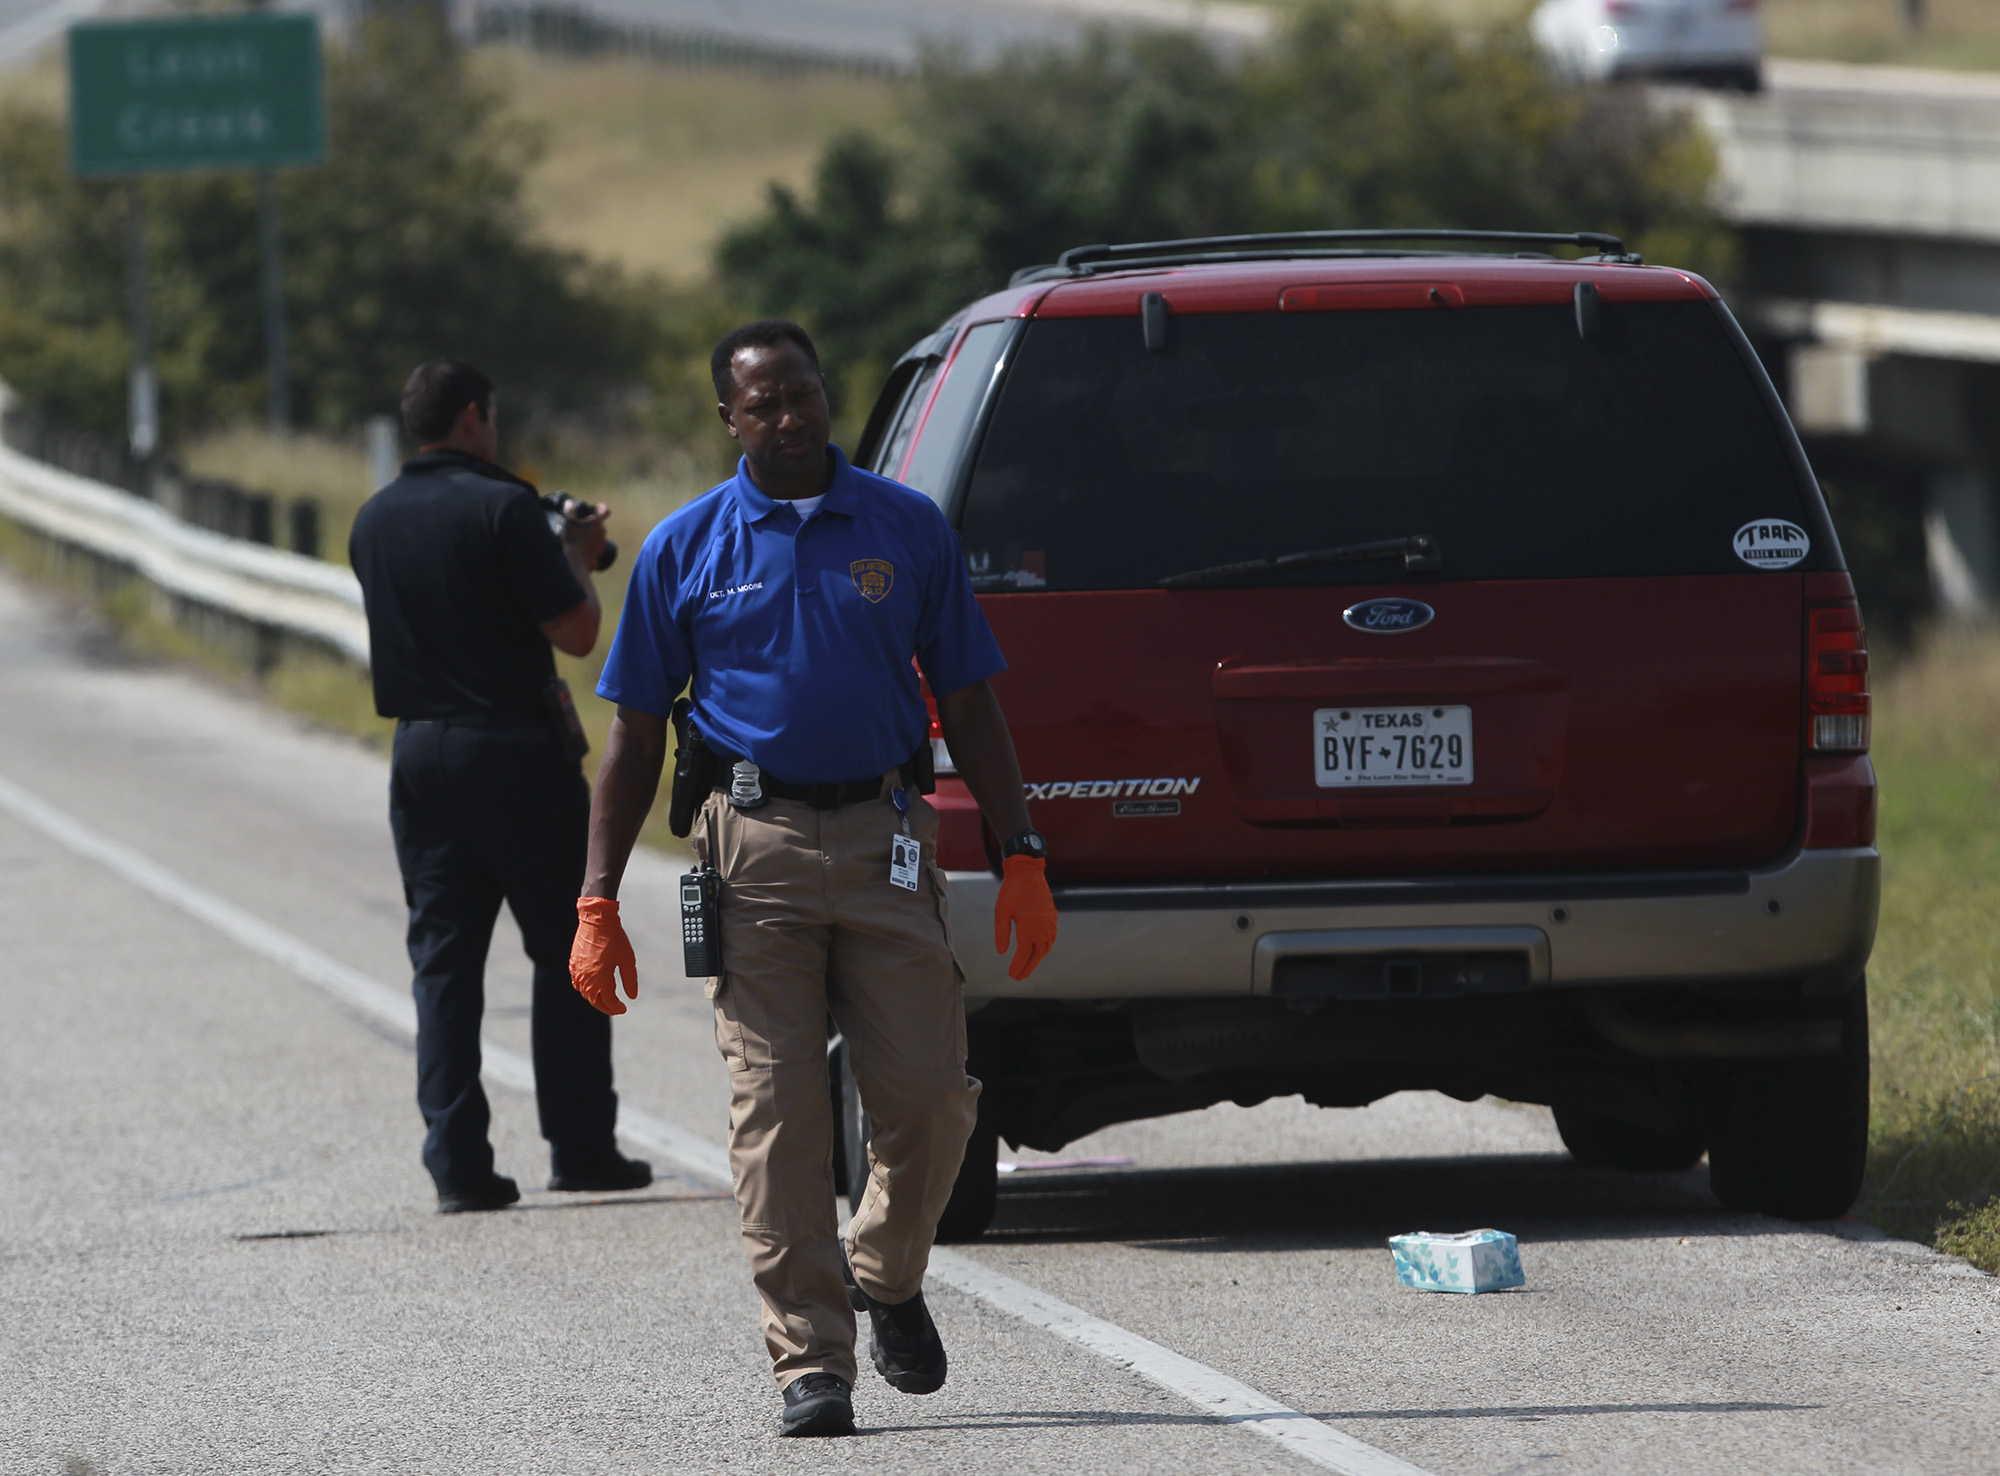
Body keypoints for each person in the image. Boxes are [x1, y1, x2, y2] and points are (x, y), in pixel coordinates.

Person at [568, 320, 1058, 1437]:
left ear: (822, 396)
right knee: (777, 1116)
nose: (787, 417)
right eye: (762, 403)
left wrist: (1020, 847)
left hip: (889, 838)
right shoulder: (684, 548)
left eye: (801, 394)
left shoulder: (905, 526)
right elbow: (633, 731)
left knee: (933, 1098)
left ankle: (882, 1273)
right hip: (753, 853)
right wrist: (597, 895)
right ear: (728, 419)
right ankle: (809, 1360)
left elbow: (969, 701)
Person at [350, 358, 651, 1214]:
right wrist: (580, 556)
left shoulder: (373, 519)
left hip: (418, 752)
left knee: (443, 965)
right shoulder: (504, 507)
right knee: (566, 946)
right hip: (514, 750)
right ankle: (582, 1144)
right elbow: (578, 632)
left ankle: (456, 1163)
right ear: (476, 416)